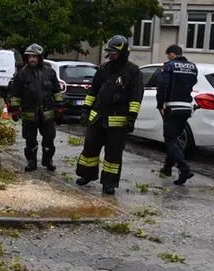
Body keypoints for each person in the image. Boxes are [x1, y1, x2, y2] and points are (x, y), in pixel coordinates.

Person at [75, 35, 143, 195]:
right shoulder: (104, 69)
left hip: (117, 121)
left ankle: (109, 183)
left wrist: (131, 118)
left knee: (113, 154)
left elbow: (136, 97)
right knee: (89, 148)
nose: (111, 55)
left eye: (114, 52)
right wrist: (85, 111)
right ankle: (87, 175)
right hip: (98, 117)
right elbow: (93, 91)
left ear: (123, 52)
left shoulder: (133, 71)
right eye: (109, 52)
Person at [8, 44, 64, 172]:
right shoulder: (22, 74)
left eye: (34, 57)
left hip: (47, 113)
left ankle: (48, 160)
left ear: (40, 57)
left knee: (49, 139)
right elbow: (15, 94)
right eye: (30, 57)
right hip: (29, 114)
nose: (32, 59)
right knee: (30, 140)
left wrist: (60, 107)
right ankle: (31, 161)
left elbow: (57, 91)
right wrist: (15, 110)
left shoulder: (50, 72)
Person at [156, 44, 198, 185]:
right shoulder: (193, 67)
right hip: (186, 107)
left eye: (168, 55)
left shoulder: (169, 66)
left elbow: (162, 86)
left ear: (173, 54)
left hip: (172, 106)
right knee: (174, 139)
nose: (168, 57)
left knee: (170, 139)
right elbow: (193, 83)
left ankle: (184, 169)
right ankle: (167, 168)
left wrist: (160, 104)